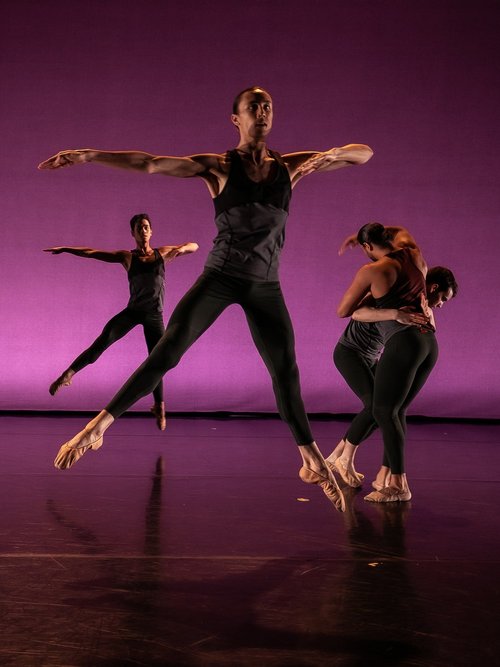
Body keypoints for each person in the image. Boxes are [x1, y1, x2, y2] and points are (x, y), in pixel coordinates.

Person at [38, 86, 373, 511]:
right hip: (219, 278)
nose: (263, 112)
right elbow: (152, 163)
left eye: (268, 106)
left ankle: (312, 462)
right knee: (167, 352)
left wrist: (334, 154)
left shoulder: (291, 167)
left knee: (285, 372)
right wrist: (86, 154)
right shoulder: (218, 167)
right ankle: (98, 428)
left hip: (264, 286)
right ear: (236, 119)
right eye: (254, 107)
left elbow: (365, 154)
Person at [44, 213, 199, 430]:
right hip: (133, 312)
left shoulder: (162, 253)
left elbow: (195, 245)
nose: (143, 230)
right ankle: (67, 375)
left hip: (154, 315)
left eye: (146, 227)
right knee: (104, 339)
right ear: (133, 233)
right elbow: (91, 253)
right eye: (139, 228)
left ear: (151, 231)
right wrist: (65, 248)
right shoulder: (127, 257)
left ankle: (159, 407)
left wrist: (182, 249)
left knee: (158, 360)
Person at [333, 222, 446, 502]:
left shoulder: (373, 271)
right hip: (428, 342)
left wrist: (393, 312)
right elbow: (402, 230)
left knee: (383, 410)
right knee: (393, 410)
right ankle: (384, 474)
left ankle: (396, 484)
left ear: (368, 247)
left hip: (404, 342)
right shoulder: (414, 254)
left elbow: (344, 311)